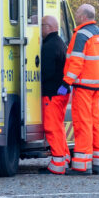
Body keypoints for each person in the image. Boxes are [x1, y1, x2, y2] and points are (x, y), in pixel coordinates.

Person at [62, 4, 99, 175]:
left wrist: (66, 81)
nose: (76, 16)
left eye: (77, 14)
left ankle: (82, 165)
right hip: (97, 86)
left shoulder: (81, 34)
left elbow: (76, 61)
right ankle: (98, 163)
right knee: (95, 123)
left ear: (82, 17)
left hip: (82, 87)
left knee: (83, 124)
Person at [39, 15, 70, 175]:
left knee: (51, 127)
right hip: (61, 93)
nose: (40, 29)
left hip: (52, 93)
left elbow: (47, 72)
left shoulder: (49, 46)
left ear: (49, 27)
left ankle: (58, 161)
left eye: (42, 25)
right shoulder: (60, 43)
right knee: (58, 126)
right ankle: (64, 157)